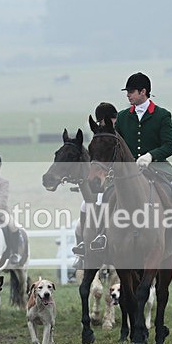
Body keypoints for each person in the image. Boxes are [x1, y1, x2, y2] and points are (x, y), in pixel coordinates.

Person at [99, 72, 172, 254]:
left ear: (143, 92)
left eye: (131, 91)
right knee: (105, 195)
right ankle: (102, 235)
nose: (128, 95)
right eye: (127, 91)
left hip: (157, 166)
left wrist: (150, 156)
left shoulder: (162, 115)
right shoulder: (123, 117)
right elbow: (117, 144)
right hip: (128, 170)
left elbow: (169, 146)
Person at [71, 102, 117, 262]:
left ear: (113, 119)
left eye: (103, 122)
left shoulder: (118, 132)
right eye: (99, 123)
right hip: (104, 178)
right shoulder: (98, 136)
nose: (101, 125)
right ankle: (85, 242)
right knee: (86, 204)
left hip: (120, 177)